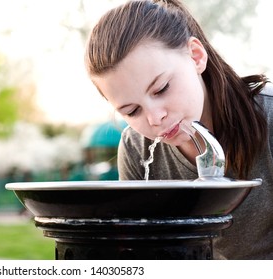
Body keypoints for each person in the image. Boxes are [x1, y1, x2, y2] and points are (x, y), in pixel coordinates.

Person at [85, 0, 273, 259]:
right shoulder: (135, 147)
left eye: (161, 89)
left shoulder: (270, 118)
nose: (155, 118)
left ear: (196, 56)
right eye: (132, 111)